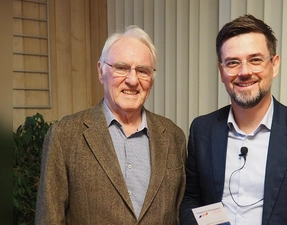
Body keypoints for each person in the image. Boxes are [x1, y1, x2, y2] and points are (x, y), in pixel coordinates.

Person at [180, 14, 287, 225]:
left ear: (275, 65)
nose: (244, 72)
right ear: (221, 71)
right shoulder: (202, 130)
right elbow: (192, 200)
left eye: (255, 60)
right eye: (233, 62)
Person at [35, 25, 186, 224]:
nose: (133, 80)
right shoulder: (65, 136)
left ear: (152, 78)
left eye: (143, 71)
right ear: (101, 71)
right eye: (122, 68)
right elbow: (49, 219)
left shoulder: (174, 136)